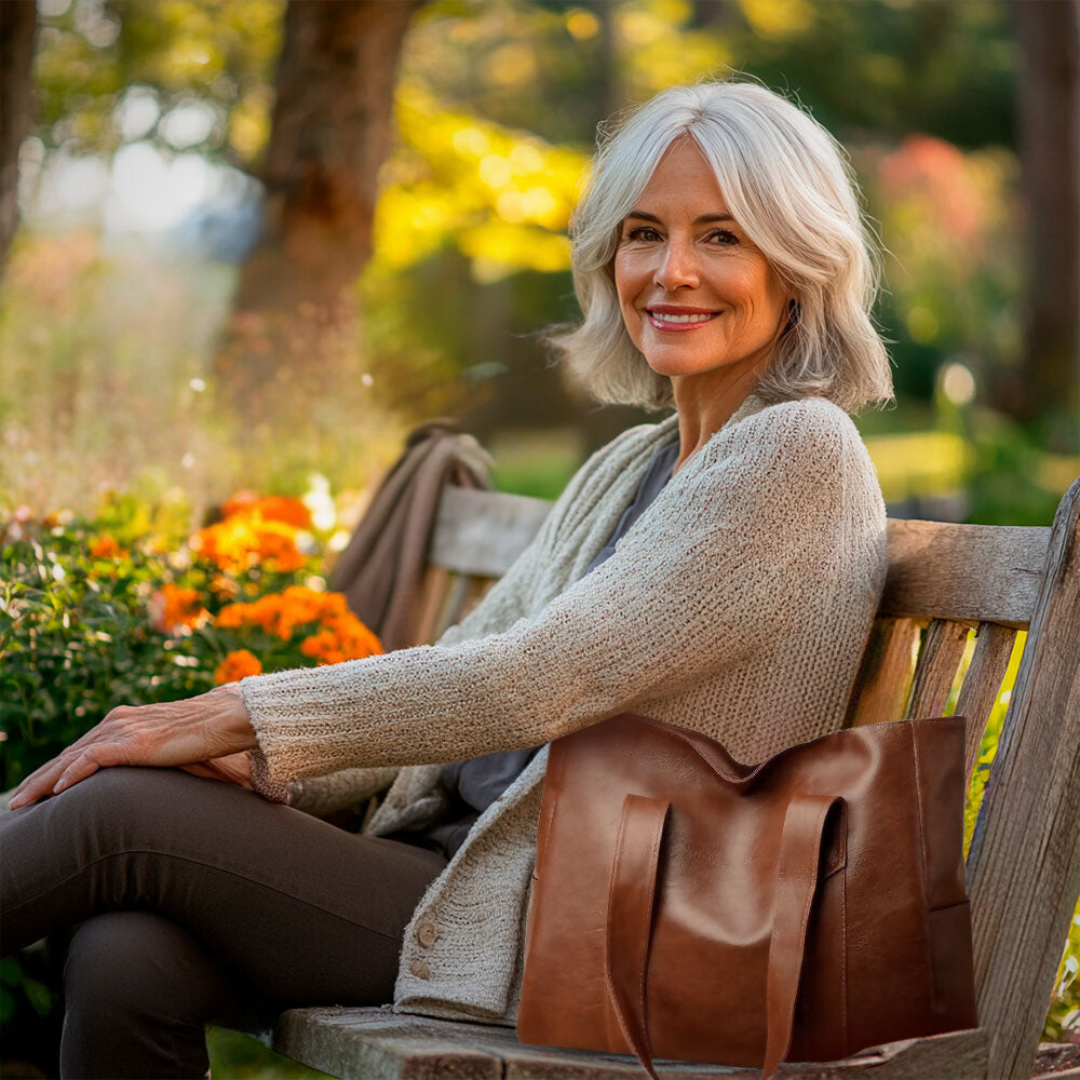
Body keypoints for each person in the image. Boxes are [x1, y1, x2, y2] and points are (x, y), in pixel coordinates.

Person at [1, 78, 893, 1079]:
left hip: (586, 930)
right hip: (468, 878)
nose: (670, 271)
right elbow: (469, 655)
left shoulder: (797, 451)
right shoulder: (633, 465)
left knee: (122, 813)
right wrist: (267, 765)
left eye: (721, 236)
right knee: (126, 958)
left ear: (798, 263)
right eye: (644, 233)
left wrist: (235, 715)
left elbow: (537, 679)